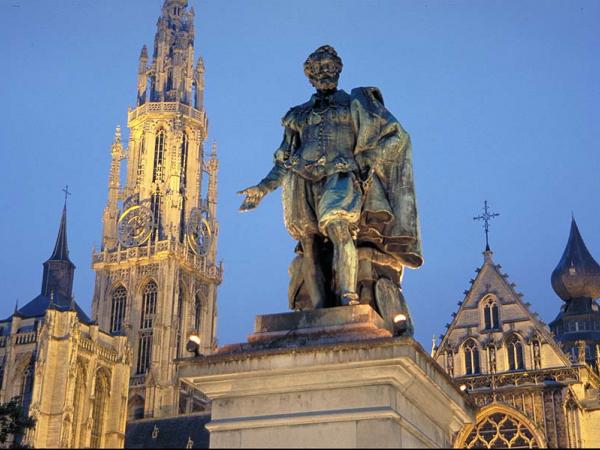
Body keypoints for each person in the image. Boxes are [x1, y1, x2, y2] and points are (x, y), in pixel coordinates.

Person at [239, 45, 422, 314]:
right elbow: (284, 159)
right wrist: (262, 188)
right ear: (310, 76)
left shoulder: (356, 104)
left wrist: (370, 159)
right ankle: (318, 309)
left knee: (339, 227)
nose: (325, 72)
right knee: (309, 244)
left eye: (329, 67)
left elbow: (398, 136)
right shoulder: (297, 114)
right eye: (318, 69)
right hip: (301, 180)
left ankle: (348, 296)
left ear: (338, 70)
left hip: (341, 174)